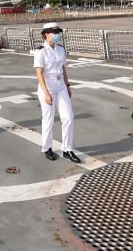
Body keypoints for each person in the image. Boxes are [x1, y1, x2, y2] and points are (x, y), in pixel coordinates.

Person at [34, 22, 80, 163]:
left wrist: (67, 85)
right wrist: (46, 93)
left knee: (68, 117)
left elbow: (63, 68)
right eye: (54, 33)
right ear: (46, 34)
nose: (57, 35)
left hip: (60, 86)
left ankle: (67, 149)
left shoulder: (60, 49)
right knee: (48, 119)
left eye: (58, 33)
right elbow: (39, 74)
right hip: (47, 86)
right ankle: (47, 148)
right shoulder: (41, 51)